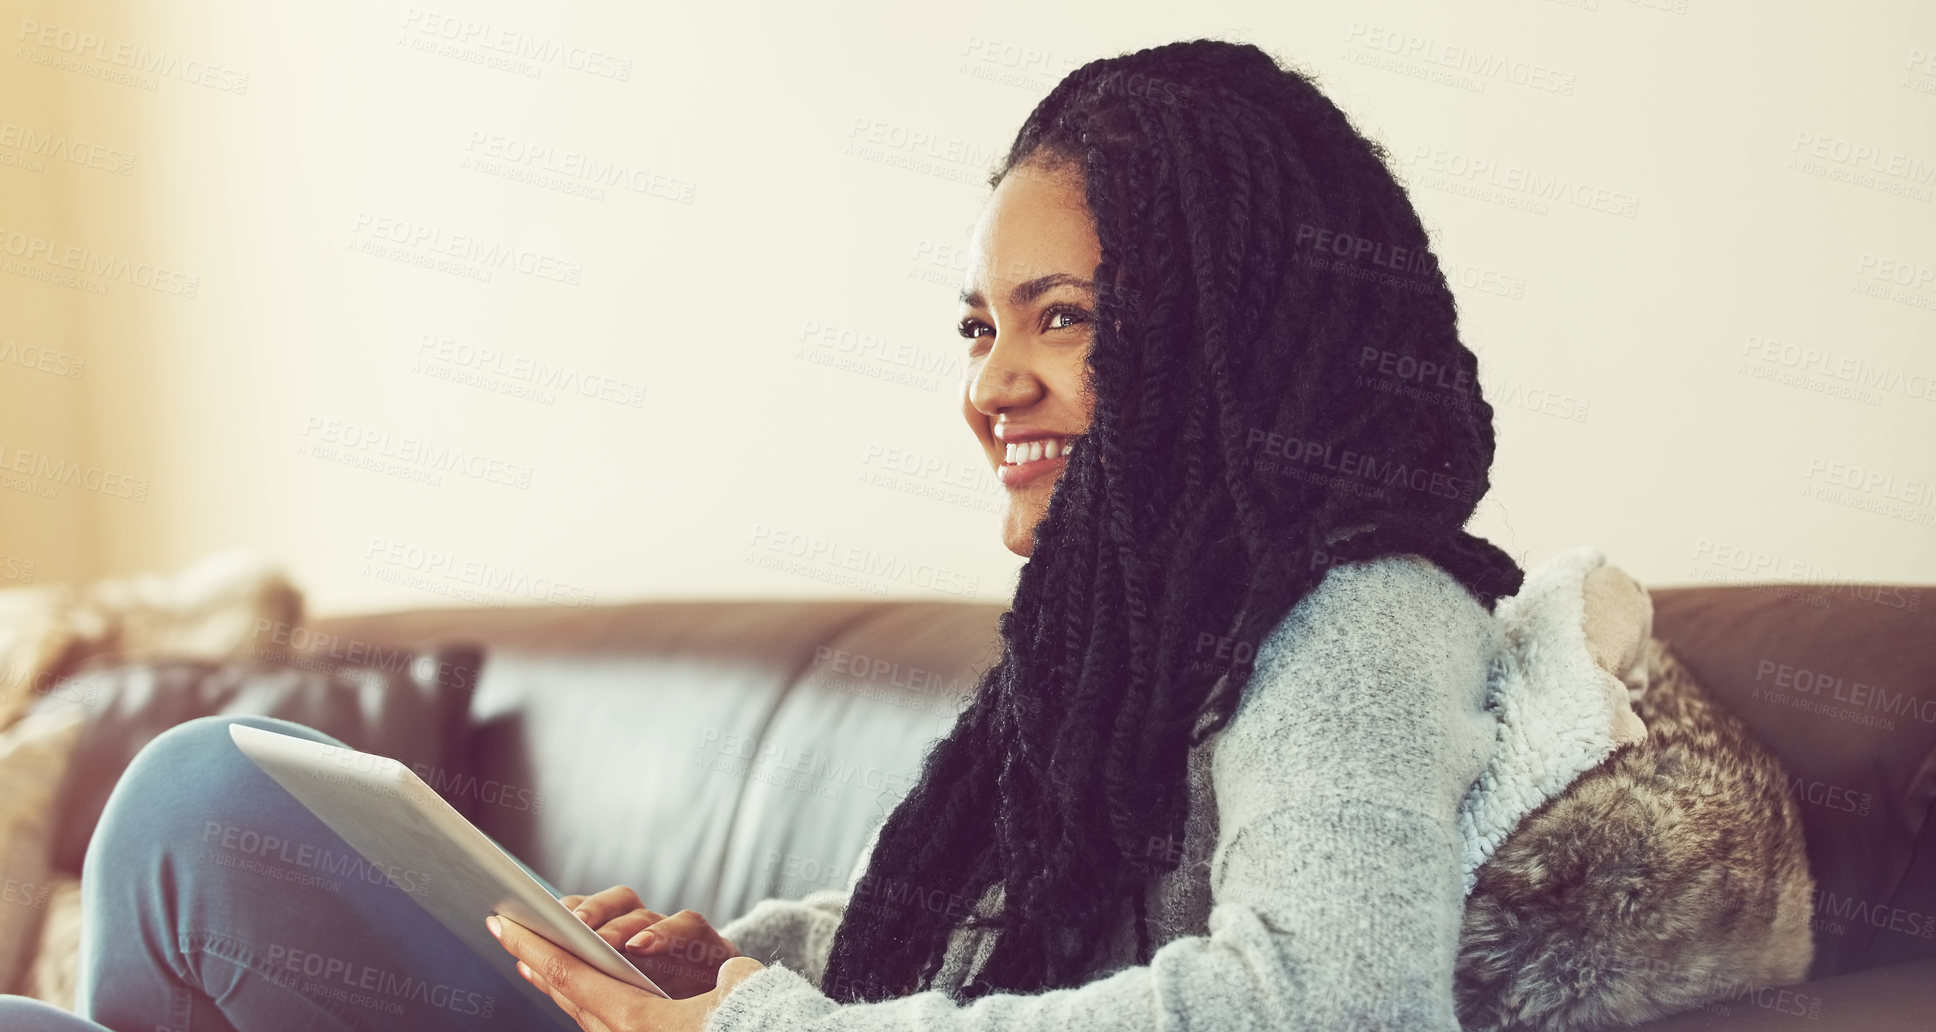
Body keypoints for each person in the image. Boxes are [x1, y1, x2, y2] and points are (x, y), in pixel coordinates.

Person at [0, 38, 1522, 1031]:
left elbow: (1334, 1000)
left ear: (1230, 327)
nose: (994, 381)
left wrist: (748, 1025)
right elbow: (975, 939)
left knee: (204, 800)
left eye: (1063, 319)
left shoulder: (1365, 607)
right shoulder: (1116, 648)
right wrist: (736, 956)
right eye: (981, 326)